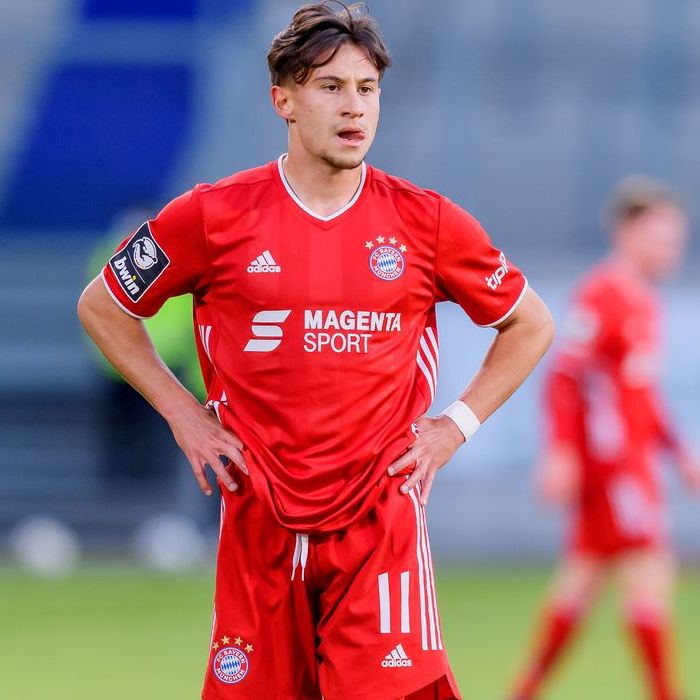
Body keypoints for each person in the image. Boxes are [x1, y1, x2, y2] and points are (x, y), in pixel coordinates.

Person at [77, 3, 554, 698]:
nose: (354, 106)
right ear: (285, 101)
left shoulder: (426, 222)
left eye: (367, 88)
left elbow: (530, 323)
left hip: (379, 528)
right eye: (331, 87)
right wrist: (182, 413)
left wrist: (455, 426)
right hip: (258, 525)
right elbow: (102, 304)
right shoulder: (212, 215)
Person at [508, 176, 700, 700]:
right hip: (616, 468)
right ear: (627, 233)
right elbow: (563, 377)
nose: (671, 250)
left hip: (631, 463)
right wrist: (561, 450)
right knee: (648, 572)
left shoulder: (644, 303)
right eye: (660, 238)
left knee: (583, 580)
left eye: (676, 239)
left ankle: (522, 691)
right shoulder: (601, 295)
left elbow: (642, 395)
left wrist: (679, 452)